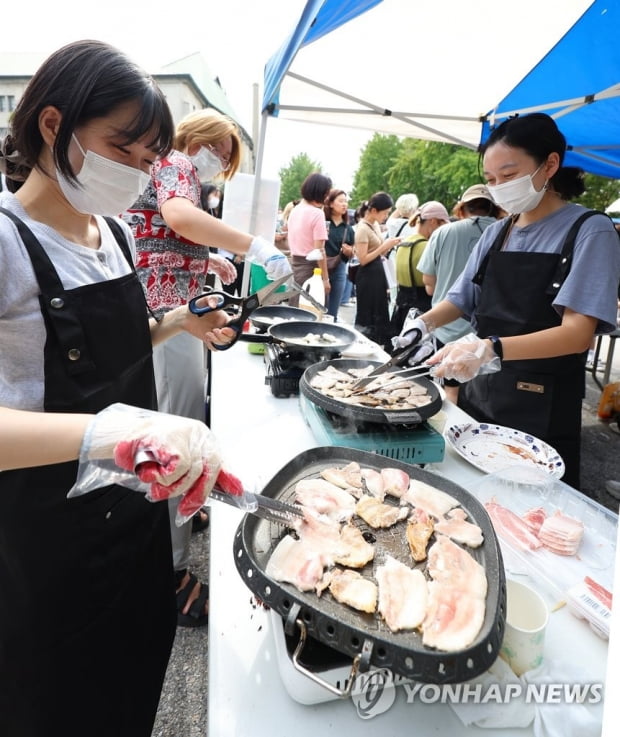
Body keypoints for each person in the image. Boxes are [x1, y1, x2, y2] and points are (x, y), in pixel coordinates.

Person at [0, 40, 240, 737]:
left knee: (131, 683)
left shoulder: (114, 234)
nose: (136, 173)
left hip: (135, 521)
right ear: (52, 124)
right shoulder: (8, 240)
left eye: (146, 160)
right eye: (122, 150)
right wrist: (108, 432)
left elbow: (116, 345)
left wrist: (177, 324)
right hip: (49, 542)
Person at [123, 108, 291, 628]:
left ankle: (174, 525)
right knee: (179, 432)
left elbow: (166, 234)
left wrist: (207, 258)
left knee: (175, 425)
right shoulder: (175, 162)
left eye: (226, 158)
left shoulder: (174, 169)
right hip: (164, 319)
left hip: (168, 315)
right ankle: (170, 572)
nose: (219, 162)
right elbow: (176, 218)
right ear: (198, 139)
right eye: (219, 151)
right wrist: (251, 245)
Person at [396, 113, 620, 490]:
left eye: (509, 175)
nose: (499, 187)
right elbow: (461, 298)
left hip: (542, 406)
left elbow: (577, 334)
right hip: (480, 393)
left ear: (550, 164)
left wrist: (489, 348)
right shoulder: (498, 232)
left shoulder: (590, 230)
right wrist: (424, 324)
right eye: (491, 180)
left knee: (525, 505)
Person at [417, 185, 500, 402]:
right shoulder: (507, 232)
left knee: (448, 390)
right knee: (482, 396)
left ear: (461, 209)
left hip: (446, 326)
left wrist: (423, 324)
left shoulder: (443, 232)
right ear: (494, 208)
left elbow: (429, 283)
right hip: (490, 335)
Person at [390, 201, 450, 337]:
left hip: (401, 306)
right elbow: (434, 284)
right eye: (443, 225)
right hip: (422, 308)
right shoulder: (427, 247)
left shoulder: (404, 242)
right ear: (433, 222)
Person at [354, 192, 402, 349]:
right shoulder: (362, 229)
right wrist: (384, 246)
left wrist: (387, 247)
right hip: (367, 276)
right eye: (385, 212)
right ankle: (364, 346)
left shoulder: (374, 224)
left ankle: (375, 346)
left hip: (377, 274)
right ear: (374, 210)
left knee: (379, 310)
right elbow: (363, 259)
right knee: (367, 313)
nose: (387, 216)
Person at [286, 172, 333, 305]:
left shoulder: (295, 210)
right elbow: (319, 251)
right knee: (311, 313)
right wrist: (325, 279)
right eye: (327, 193)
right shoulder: (317, 214)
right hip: (310, 269)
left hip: (295, 266)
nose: (327, 196)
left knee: (295, 310)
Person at [323, 188, 355, 319]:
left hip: (339, 269)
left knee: (333, 310)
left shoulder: (348, 229)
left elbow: (353, 252)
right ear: (330, 204)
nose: (344, 204)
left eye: (346, 202)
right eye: (341, 201)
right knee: (318, 307)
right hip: (319, 268)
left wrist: (349, 252)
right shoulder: (323, 223)